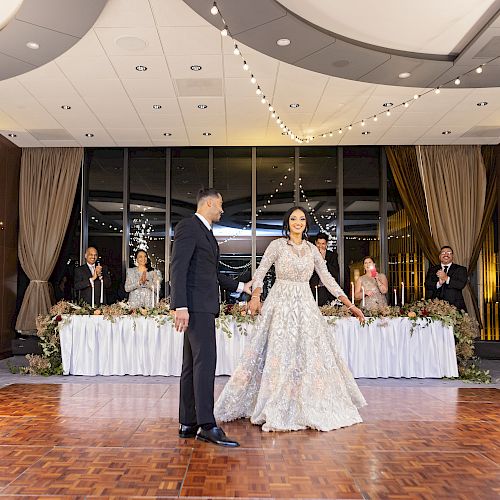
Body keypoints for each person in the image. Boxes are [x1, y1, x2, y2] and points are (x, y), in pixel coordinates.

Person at [214, 206, 366, 432]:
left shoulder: (312, 250)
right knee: (279, 352)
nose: (298, 222)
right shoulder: (277, 245)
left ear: (306, 224)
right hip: (280, 304)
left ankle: (303, 402)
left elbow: (328, 279)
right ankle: (274, 400)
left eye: (302, 219)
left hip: (305, 304)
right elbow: (260, 273)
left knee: (307, 353)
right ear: (287, 223)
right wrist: (256, 295)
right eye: (293, 218)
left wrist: (351, 305)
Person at [170, 188, 252, 447]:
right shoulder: (189, 227)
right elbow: (178, 267)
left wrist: (240, 287)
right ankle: (206, 425)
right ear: (208, 203)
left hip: (200, 306)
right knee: (204, 364)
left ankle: (188, 422)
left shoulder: (205, 233)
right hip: (196, 307)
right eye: (220, 205)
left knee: (192, 365)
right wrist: (180, 305)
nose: (222, 210)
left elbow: (212, 273)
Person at [425, 245, 467, 310]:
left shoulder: (461, 269)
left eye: (449, 253)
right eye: (443, 253)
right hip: (435, 307)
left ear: (452, 256)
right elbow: (427, 285)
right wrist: (439, 283)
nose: (446, 255)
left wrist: (446, 278)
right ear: (439, 256)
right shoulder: (432, 269)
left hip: (455, 306)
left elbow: (461, 285)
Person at [309, 232, 340, 306]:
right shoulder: (310, 255)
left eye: (323, 244)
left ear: (326, 244)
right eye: (318, 243)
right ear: (315, 243)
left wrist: (323, 260)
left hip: (328, 289)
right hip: (315, 288)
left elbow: (335, 272)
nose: (320, 246)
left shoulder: (332, 255)